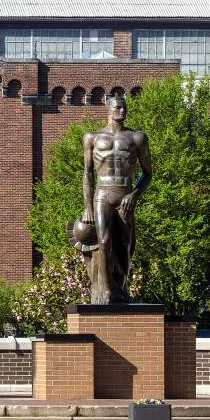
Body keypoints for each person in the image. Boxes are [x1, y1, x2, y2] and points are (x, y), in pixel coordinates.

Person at [77, 95, 152, 304]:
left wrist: (134, 194)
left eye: (124, 108)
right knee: (104, 241)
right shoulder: (92, 137)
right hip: (102, 195)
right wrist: (88, 207)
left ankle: (121, 289)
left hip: (125, 195)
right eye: (118, 107)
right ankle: (106, 291)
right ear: (108, 109)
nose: (122, 111)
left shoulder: (137, 138)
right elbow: (87, 173)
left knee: (125, 245)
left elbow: (148, 173)